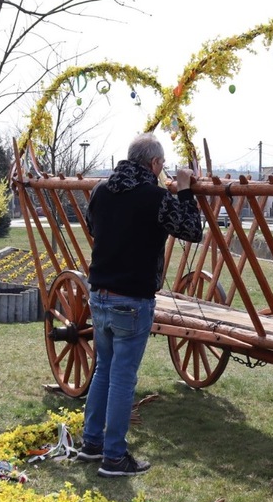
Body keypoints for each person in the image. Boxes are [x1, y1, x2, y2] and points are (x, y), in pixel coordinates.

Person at [77, 133, 203, 477]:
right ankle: (114, 457)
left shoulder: (101, 190)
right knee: (121, 378)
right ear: (155, 164)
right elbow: (193, 230)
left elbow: (92, 226)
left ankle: (92, 443)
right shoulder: (155, 196)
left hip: (99, 293)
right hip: (132, 299)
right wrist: (187, 190)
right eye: (162, 165)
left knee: (104, 369)